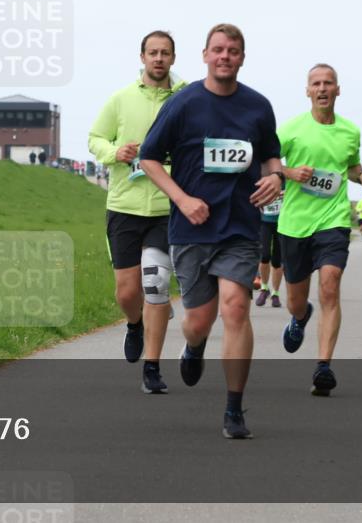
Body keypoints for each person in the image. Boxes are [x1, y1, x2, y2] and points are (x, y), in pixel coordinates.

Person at [140, 23, 282, 439]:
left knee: (236, 308)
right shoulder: (183, 104)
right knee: (198, 321)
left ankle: (234, 408)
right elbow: (149, 158)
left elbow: (271, 156)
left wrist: (276, 177)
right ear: (205, 55)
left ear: (242, 58)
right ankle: (194, 344)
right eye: (218, 50)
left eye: (232, 51)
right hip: (192, 229)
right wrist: (182, 199)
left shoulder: (258, 106)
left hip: (240, 226)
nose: (225, 57)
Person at [89, 30, 187, 393]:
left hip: (166, 207)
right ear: (142, 57)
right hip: (124, 206)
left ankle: (152, 367)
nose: (159, 58)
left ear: (173, 58)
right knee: (128, 292)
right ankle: (134, 324)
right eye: (153, 52)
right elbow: (95, 138)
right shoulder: (121, 99)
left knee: (156, 284)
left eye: (165, 53)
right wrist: (116, 152)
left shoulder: (186, 98)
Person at [277, 63, 362, 396]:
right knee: (296, 300)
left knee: (330, 285)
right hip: (294, 224)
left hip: (333, 220)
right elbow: (268, 163)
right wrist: (290, 173)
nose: (322, 88)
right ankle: (300, 317)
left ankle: (323, 367)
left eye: (328, 83)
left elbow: (352, 167)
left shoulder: (350, 131)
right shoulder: (291, 129)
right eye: (316, 84)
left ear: (338, 90)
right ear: (307, 91)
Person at [255, 191, 284, 307]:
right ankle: (264, 288)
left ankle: (275, 294)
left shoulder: (288, 181)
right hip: (264, 221)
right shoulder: (261, 180)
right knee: (264, 255)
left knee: (277, 260)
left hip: (282, 222)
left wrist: (286, 193)